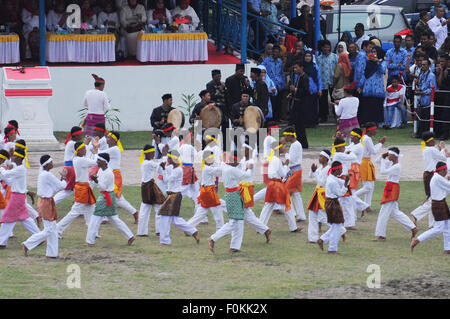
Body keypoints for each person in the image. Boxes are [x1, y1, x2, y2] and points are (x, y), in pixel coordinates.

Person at [84, 153, 135, 247]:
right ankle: (130, 236)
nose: (97, 161)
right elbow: (97, 182)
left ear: (105, 162)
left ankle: (90, 241)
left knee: (95, 218)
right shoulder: (101, 170)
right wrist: (90, 186)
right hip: (106, 196)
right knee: (114, 219)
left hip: (106, 197)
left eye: (99, 160)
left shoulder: (109, 173)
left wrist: (96, 181)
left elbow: (103, 186)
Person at [21, 155, 66, 258]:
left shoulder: (44, 174)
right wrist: (64, 179)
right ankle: (27, 244)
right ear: (46, 164)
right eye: (51, 162)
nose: (52, 163)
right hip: (46, 203)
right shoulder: (46, 175)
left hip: (48, 201)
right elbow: (61, 186)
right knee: (49, 229)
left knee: (53, 229)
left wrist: (62, 180)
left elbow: (54, 188)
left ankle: (52, 254)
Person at [373, 148, 418, 241]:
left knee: (384, 212)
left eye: (390, 154)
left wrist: (383, 160)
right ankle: (413, 227)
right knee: (395, 212)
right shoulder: (391, 163)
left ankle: (381, 235)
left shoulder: (397, 166)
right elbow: (377, 162)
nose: (388, 156)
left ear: (394, 156)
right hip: (390, 187)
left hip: (392, 188)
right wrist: (382, 156)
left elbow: (383, 172)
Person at [0, 148, 40, 249]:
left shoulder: (20, 169)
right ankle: (39, 236)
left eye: (13, 156)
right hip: (17, 196)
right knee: (24, 219)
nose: (12, 157)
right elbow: (9, 181)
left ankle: (1, 242)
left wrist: (1, 168)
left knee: (8, 219)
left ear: (18, 157)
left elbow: (5, 174)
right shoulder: (18, 168)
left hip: (17, 197)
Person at [158, 150, 200, 246]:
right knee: (174, 219)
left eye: (169, 158)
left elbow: (166, 180)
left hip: (174, 196)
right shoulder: (172, 168)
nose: (168, 160)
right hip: (172, 195)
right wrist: (162, 168)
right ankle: (193, 231)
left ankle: (165, 241)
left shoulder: (178, 170)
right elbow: (163, 172)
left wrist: (164, 170)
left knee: (164, 216)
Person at [259, 141, 301, 233]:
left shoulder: (272, 158)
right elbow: (283, 174)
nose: (284, 148)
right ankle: (293, 227)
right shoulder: (276, 160)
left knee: (268, 206)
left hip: (271, 184)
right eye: (283, 147)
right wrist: (286, 165)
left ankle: (260, 226)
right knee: (286, 204)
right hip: (277, 184)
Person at [56, 142, 97, 237]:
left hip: (84, 186)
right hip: (82, 188)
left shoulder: (77, 159)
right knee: (75, 212)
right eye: (84, 149)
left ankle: (93, 232)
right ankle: (57, 229)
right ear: (79, 150)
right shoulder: (80, 160)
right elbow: (95, 162)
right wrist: (96, 152)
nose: (86, 150)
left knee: (90, 209)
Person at [411, 161, 450, 254]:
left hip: (442, 203)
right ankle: (417, 240)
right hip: (438, 205)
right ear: (442, 170)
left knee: (447, 226)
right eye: (446, 171)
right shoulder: (437, 178)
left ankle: (447, 248)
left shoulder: (438, 178)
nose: (446, 173)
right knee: (438, 229)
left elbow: (446, 190)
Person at [102, 131, 139, 224]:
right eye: (107, 137)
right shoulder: (111, 148)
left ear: (114, 140)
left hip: (115, 176)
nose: (107, 139)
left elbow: (99, 154)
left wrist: (92, 146)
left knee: (115, 197)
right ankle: (107, 217)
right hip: (111, 175)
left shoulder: (114, 149)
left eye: (109, 138)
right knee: (113, 197)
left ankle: (134, 212)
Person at [411, 133, 447, 228]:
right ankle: (416, 214)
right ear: (430, 141)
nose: (435, 141)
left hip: (428, 174)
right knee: (434, 199)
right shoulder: (431, 149)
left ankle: (432, 223)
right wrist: (443, 148)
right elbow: (443, 158)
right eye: (433, 140)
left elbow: (436, 157)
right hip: (432, 174)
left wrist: (439, 150)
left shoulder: (426, 149)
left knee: (433, 197)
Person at [238, 144, 272, 242]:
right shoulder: (243, 160)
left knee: (243, 212)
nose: (241, 150)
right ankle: (265, 229)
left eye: (243, 148)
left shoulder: (251, 161)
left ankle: (235, 238)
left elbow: (245, 174)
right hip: (241, 187)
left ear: (248, 150)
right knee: (247, 213)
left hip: (246, 189)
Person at [316, 161, 348, 254]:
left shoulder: (332, 177)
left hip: (331, 202)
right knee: (337, 226)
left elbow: (341, 181)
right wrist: (346, 185)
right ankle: (332, 249)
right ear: (337, 169)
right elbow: (341, 193)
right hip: (333, 203)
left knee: (335, 226)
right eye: (341, 169)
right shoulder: (332, 181)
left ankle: (322, 239)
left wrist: (346, 181)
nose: (342, 171)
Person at [187, 151, 224, 231]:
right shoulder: (208, 168)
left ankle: (188, 227)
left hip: (205, 191)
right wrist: (225, 164)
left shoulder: (208, 167)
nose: (213, 159)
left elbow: (217, 167)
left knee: (202, 212)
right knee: (217, 210)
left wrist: (222, 163)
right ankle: (220, 229)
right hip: (208, 192)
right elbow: (219, 172)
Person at [354, 123, 387, 212]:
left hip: (366, 162)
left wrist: (379, 144)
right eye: (375, 129)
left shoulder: (366, 138)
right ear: (370, 130)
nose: (376, 131)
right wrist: (380, 144)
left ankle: (367, 206)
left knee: (370, 186)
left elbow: (371, 149)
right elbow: (374, 151)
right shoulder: (367, 139)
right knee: (368, 187)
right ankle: (353, 197)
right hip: (364, 162)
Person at [137, 145, 165, 237]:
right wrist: (164, 157)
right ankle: (159, 230)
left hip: (145, 187)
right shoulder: (148, 163)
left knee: (145, 209)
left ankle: (142, 232)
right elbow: (159, 166)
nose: (153, 154)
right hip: (150, 186)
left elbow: (159, 170)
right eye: (152, 153)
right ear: (148, 153)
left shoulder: (145, 162)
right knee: (159, 206)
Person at [331, 138, 358, 230]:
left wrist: (346, 151)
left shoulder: (339, 154)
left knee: (345, 202)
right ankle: (348, 224)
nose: (344, 148)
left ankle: (346, 222)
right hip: (341, 179)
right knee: (346, 202)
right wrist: (350, 151)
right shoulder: (339, 154)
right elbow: (353, 157)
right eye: (343, 146)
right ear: (339, 147)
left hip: (342, 178)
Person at [53, 127, 84, 204]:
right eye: (80, 134)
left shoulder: (71, 143)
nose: (82, 135)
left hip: (70, 167)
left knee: (77, 187)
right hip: (71, 168)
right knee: (68, 190)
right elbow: (82, 152)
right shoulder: (73, 144)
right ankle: (51, 203)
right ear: (76, 136)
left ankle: (79, 204)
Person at [357, 46, 387, 126]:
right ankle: (368, 123)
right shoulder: (368, 62)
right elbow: (364, 75)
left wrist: (377, 62)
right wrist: (360, 85)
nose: (373, 54)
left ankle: (378, 123)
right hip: (368, 88)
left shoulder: (383, 62)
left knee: (377, 106)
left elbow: (382, 70)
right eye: (372, 52)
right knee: (368, 107)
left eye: (375, 52)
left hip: (378, 89)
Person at [306, 149, 331, 243]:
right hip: (317, 193)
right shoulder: (320, 168)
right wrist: (312, 171)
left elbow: (321, 182)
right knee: (312, 214)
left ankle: (339, 229)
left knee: (322, 217)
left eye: (321, 156)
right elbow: (310, 176)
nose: (319, 158)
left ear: (326, 158)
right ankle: (312, 238)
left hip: (323, 194)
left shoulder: (328, 169)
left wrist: (315, 172)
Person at [283, 127, 306, 222]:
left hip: (295, 171)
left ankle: (292, 213)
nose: (284, 138)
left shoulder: (295, 145)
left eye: (285, 136)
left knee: (286, 192)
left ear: (290, 135)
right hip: (295, 170)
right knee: (295, 193)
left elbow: (291, 160)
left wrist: (285, 153)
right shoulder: (295, 144)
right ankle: (300, 215)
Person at [288, 61, 309, 149]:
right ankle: (299, 142)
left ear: (301, 67)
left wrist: (295, 89)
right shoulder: (299, 77)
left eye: (296, 67)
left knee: (300, 125)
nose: (295, 69)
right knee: (297, 125)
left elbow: (305, 91)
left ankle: (303, 143)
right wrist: (291, 94)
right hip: (296, 104)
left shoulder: (304, 77)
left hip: (301, 105)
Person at [262, 45, 285, 122]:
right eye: (274, 52)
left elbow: (281, 72)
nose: (275, 53)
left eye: (277, 52)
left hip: (279, 84)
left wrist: (282, 82)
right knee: (272, 102)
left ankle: (277, 118)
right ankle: (271, 119)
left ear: (279, 53)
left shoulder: (280, 62)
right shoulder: (267, 61)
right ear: (271, 52)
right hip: (271, 85)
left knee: (279, 102)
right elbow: (262, 68)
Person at [317, 40, 338, 123]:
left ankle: (336, 114)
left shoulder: (335, 57)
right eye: (324, 47)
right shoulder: (319, 58)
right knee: (323, 100)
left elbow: (338, 68)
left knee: (334, 98)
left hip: (333, 80)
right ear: (322, 48)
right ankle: (323, 116)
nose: (326, 48)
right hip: (323, 81)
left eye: (328, 47)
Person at [416, 59, 437, 137]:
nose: (423, 66)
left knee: (426, 118)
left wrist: (423, 92)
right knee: (421, 117)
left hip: (428, 100)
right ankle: (419, 133)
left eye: (424, 65)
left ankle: (425, 134)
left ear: (429, 66)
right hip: (421, 99)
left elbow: (433, 88)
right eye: (422, 64)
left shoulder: (431, 75)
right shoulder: (421, 75)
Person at [301, 51, 321, 127]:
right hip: (304, 90)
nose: (307, 57)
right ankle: (306, 123)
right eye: (306, 56)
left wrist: (320, 89)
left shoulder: (315, 66)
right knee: (305, 107)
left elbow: (319, 78)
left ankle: (313, 123)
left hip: (314, 90)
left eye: (309, 56)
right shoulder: (302, 67)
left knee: (313, 107)